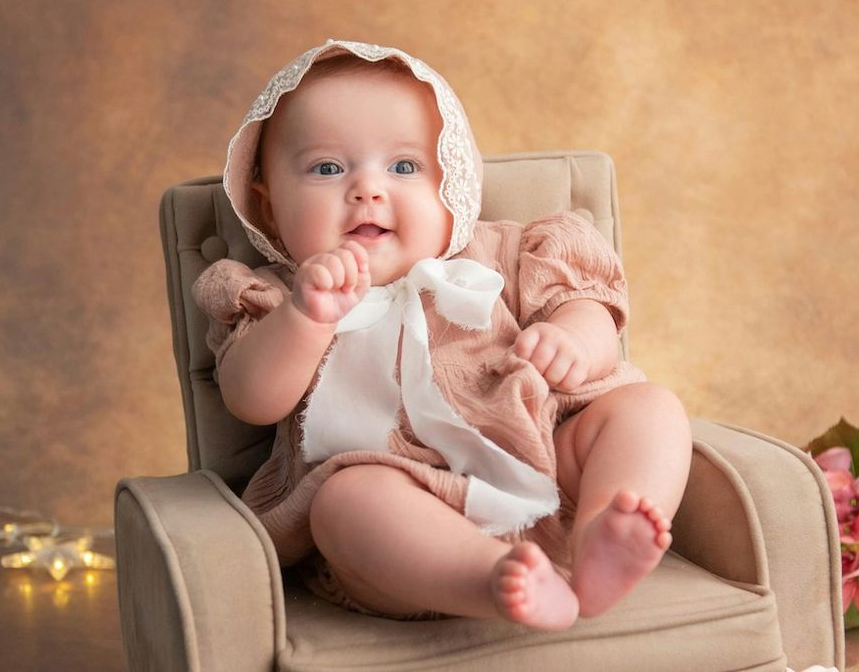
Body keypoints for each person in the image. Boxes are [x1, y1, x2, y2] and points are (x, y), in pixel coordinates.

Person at [193, 39, 693, 631]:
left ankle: (600, 536)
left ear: (453, 180)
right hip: (399, 524)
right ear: (269, 205)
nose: (368, 190)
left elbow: (591, 304)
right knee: (344, 503)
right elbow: (250, 398)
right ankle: (495, 577)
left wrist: (575, 338)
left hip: (544, 472)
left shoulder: (501, 254)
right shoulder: (272, 294)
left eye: (404, 167)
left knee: (649, 409)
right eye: (327, 168)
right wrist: (305, 317)